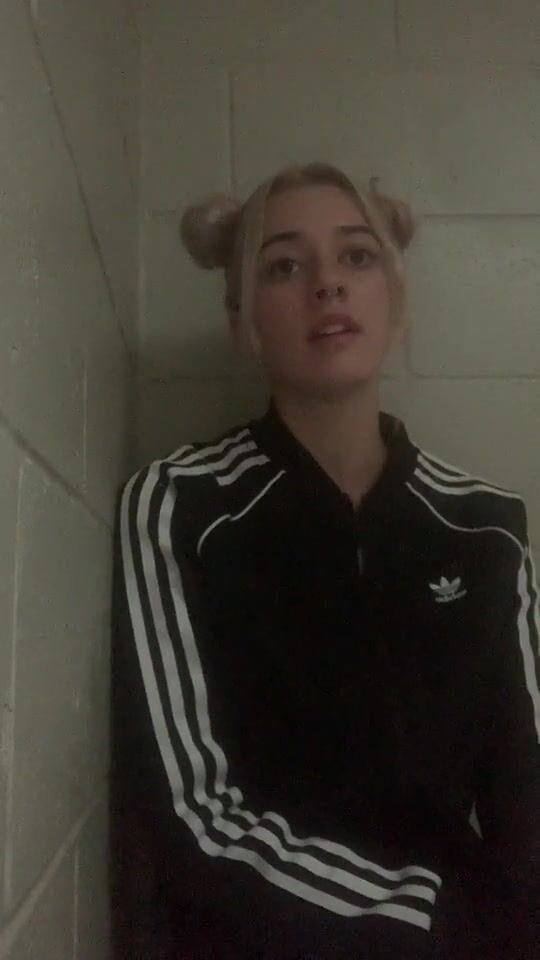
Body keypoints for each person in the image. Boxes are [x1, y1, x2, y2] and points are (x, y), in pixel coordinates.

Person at [110, 162, 540, 959]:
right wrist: (427, 921)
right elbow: (192, 816)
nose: (327, 284)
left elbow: (525, 784)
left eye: (356, 256)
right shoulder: (181, 505)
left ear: (395, 297)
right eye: (283, 265)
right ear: (241, 319)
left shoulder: (488, 527)